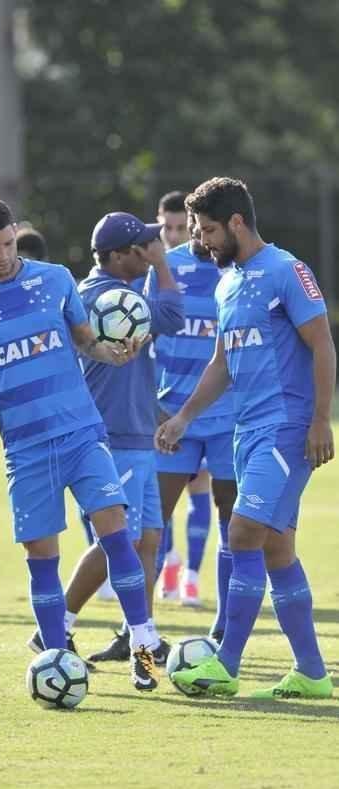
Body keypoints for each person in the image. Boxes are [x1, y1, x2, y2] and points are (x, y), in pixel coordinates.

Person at [0, 197, 160, 692]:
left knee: (118, 533)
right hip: (26, 450)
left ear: (15, 235)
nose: (2, 255)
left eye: (7, 244)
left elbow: (85, 340)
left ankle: (144, 649)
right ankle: (56, 657)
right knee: (41, 557)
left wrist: (109, 355)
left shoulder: (55, 280)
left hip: (81, 433)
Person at [156, 177, 335, 699]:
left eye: (209, 230)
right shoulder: (227, 282)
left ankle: (226, 663)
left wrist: (321, 420)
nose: (202, 241)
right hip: (246, 430)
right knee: (277, 550)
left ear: (237, 222)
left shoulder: (286, 271)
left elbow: (322, 345)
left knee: (241, 535)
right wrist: (184, 417)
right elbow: (221, 363)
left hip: (287, 428)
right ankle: (313, 673)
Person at [31, 212, 184, 665]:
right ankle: (55, 627)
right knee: (119, 541)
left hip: (137, 431)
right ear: (118, 257)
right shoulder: (109, 297)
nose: (152, 250)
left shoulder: (112, 291)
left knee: (149, 539)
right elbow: (174, 315)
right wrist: (162, 267)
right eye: (143, 247)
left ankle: (142, 637)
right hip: (114, 434)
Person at [155, 210, 237, 636]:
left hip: (227, 418)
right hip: (171, 416)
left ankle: (224, 627)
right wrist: (154, 406)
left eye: (212, 226)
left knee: (233, 523)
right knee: (154, 521)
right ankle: (140, 632)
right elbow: (145, 336)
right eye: (198, 226)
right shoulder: (167, 268)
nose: (205, 234)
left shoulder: (240, 271)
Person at [155, 190, 214, 605]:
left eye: (184, 226)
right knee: (160, 503)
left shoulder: (229, 270)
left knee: (203, 491)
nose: (177, 234)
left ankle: (191, 572)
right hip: (167, 406)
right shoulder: (161, 270)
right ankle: (168, 567)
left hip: (215, 409)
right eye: (170, 228)